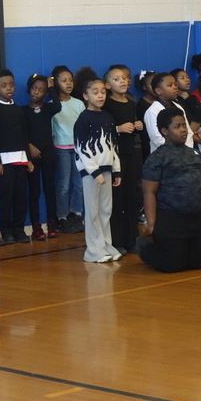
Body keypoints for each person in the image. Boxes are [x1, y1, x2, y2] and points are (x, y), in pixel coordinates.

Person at [137, 108, 201, 273]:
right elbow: (149, 192)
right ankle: (144, 248)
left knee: (199, 263)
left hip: (198, 218)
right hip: (172, 218)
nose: (183, 130)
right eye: (177, 126)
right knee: (172, 266)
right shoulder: (157, 158)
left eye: (184, 126)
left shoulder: (195, 154)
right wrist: (152, 225)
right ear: (165, 131)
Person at [73, 75, 122, 263]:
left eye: (103, 92)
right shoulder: (83, 119)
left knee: (105, 210)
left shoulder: (108, 118)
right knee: (93, 211)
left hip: (107, 170)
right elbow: (82, 148)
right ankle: (93, 251)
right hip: (91, 173)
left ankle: (106, 245)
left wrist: (116, 170)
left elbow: (112, 147)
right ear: (86, 95)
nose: (100, 96)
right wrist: (94, 172)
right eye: (95, 92)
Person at [0, 69, 33, 244]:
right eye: (4, 85)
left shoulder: (18, 110)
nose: (9, 88)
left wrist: (28, 158)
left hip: (20, 160)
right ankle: (6, 230)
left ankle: (19, 229)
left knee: (21, 196)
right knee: (5, 197)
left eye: (11, 85)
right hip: (4, 163)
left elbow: (24, 136)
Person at [102, 64, 142, 252]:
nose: (123, 81)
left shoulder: (131, 103)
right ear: (108, 85)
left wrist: (137, 125)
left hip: (130, 154)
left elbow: (132, 127)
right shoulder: (106, 105)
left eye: (124, 78)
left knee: (131, 196)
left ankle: (132, 237)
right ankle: (117, 240)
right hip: (113, 157)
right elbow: (100, 130)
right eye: (116, 79)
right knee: (116, 198)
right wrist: (118, 129)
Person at [24, 74, 61, 241]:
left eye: (41, 90)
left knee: (49, 189)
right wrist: (29, 146)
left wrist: (52, 87)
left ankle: (52, 223)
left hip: (48, 153)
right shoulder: (23, 111)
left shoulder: (48, 109)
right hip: (31, 155)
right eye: (34, 88)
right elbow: (21, 133)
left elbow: (58, 105)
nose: (36, 92)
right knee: (34, 191)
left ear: (46, 93)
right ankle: (36, 226)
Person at [50, 66, 85, 234]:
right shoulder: (52, 105)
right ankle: (62, 216)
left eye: (70, 80)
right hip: (61, 148)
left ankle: (76, 213)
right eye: (64, 81)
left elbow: (84, 125)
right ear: (56, 82)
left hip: (78, 149)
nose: (68, 83)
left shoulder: (78, 103)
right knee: (63, 184)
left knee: (78, 184)